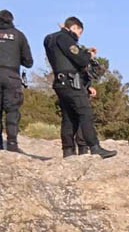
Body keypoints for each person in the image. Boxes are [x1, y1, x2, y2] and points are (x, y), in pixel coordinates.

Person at [43, 17, 116, 160]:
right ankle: (94, 147)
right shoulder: (64, 38)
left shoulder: (50, 39)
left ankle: (68, 150)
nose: (78, 36)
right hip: (71, 82)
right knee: (85, 113)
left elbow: (67, 57)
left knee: (69, 117)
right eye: (79, 32)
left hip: (60, 82)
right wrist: (89, 55)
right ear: (74, 27)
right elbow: (80, 59)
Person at [0, 9, 34, 153]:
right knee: (12, 111)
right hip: (11, 76)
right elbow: (28, 62)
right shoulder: (19, 36)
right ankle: (12, 144)